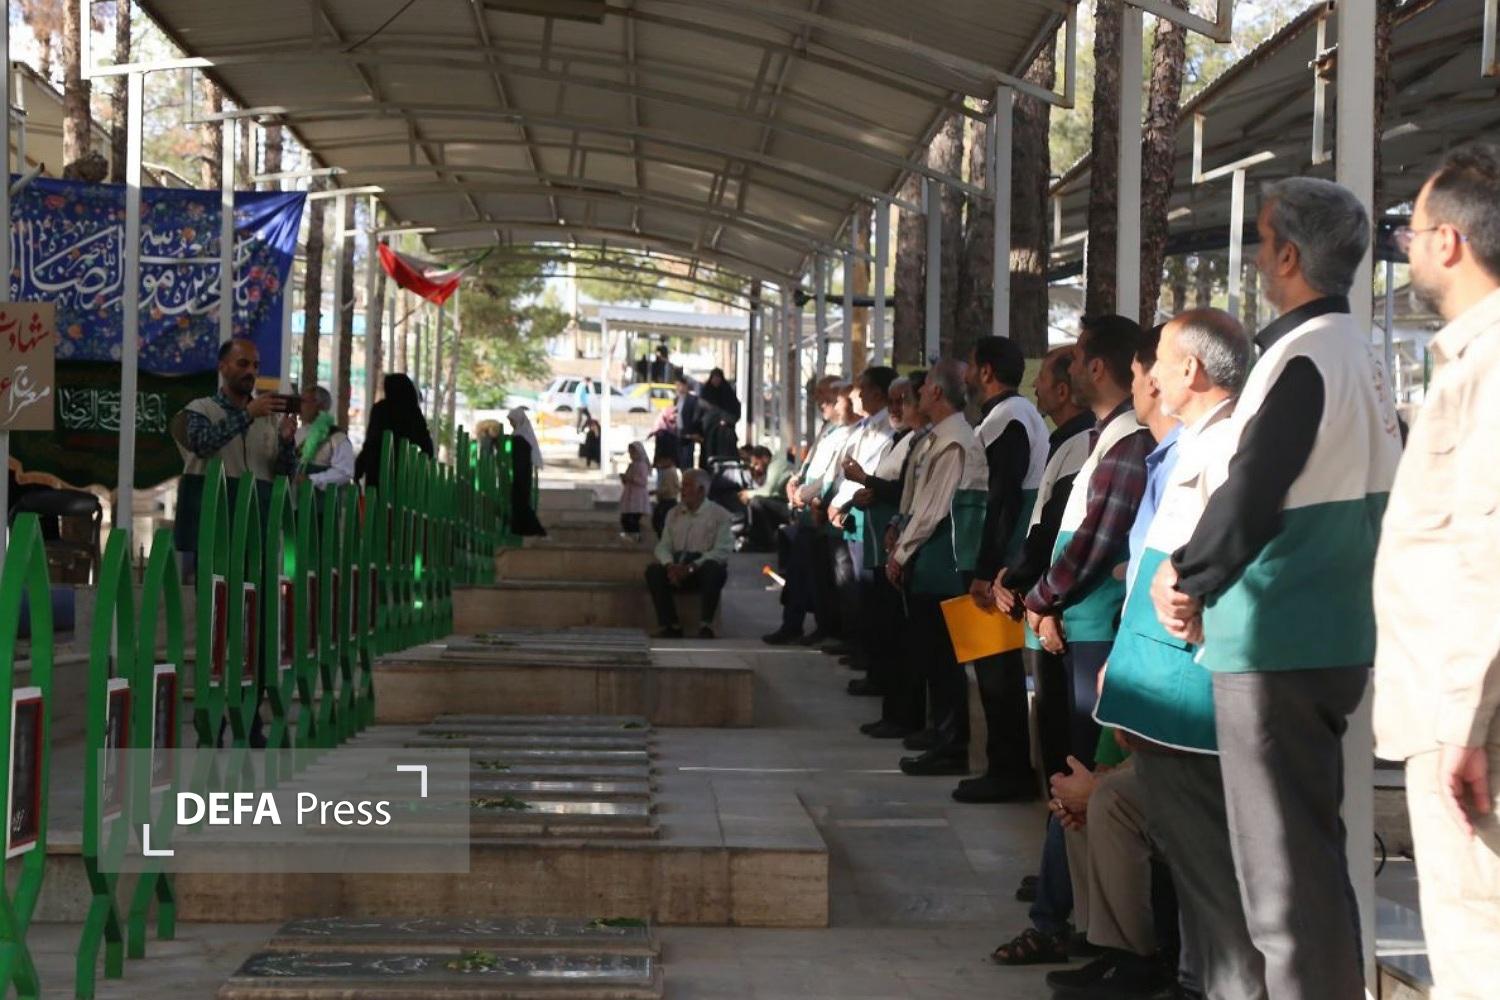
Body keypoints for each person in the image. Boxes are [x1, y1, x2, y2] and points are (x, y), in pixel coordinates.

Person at [1151, 178, 1400, 1000]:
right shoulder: (1359, 352)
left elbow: (1253, 489)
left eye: (1262, 242)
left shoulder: (1302, 357)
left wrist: (1188, 577)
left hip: (1277, 635)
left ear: (1289, 256)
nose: (1258, 259)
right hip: (1331, 632)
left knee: (1279, 882)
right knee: (1311, 863)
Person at [1374, 146, 1500, 1000]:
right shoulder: (1470, 362)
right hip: (1465, 712)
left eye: (1410, 234)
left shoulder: (1490, 367)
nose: (1407, 249)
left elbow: (1487, 551)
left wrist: (1463, 722)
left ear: (1448, 242)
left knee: (1475, 942)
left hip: (1472, 726)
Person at [1023, 315, 1153, 772]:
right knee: (1068, 752)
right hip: (1079, 618)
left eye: (1076, 359)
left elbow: (1097, 537)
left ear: (1097, 368)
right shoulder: (1107, 437)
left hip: (1099, 624)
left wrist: (1042, 596)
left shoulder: (1129, 440)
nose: (1070, 369)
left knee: (1085, 759)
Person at [996, 345, 1096, 784]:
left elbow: (1057, 529)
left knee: (1066, 733)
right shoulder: (1067, 440)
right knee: (1053, 723)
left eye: (1043, 379)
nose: (1034, 385)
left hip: (1063, 605)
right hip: (1044, 596)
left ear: (1063, 390)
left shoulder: (1083, 443)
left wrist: (1022, 582)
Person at [956, 335, 1049, 804]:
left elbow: (1003, 500)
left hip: (996, 568)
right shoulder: (1005, 417)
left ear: (987, 371)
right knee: (991, 667)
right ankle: (1003, 765)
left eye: (971, 366)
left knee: (998, 673)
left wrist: (988, 568)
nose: (966, 375)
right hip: (991, 562)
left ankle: (1008, 770)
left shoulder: (1010, 418)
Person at [888, 360, 988, 777]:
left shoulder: (955, 442)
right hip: (927, 560)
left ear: (937, 392)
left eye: (926, 384)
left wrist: (901, 552)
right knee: (932, 654)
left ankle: (952, 744)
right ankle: (940, 733)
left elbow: (933, 509)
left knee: (946, 660)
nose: (919, 391)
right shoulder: (937, 437)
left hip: (942, 563)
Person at [847, 371, 928, 739]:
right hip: (890, 542)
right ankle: (893, 707)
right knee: (887, 629)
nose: (897, 408)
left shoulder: (931, 441)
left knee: (904, 638)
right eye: (894, 402)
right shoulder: (905, 439)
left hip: (909, 551)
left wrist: (869, 484)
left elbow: (920, 501)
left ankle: (906, 715)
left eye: (904, 401)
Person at [173, 338, 297, 555]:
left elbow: (284, 475)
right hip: (213, 518)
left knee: (256, 577)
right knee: (214, 577)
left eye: (255, 366)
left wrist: (287, 442)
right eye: (243, 364)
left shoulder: (269, 419)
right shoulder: (200, 409)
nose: (251, 371)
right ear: (223, 367)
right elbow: (202, 445)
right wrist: (248, 414)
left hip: (256, 522)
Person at [644, 469, 733, 640]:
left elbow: (722, 550)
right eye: (682, 485)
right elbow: (663, 546)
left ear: (701, 490)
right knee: (653, 572)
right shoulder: (674, 513)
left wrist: (693, 567)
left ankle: (706, 626)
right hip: (678, 565)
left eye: (687, 485)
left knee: (714, 570)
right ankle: (671, 625)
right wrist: (670, 565)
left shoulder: (719, 515)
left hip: (701, 567)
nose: (682, 490)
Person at [355, 373, 434, 489]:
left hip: (378, 470)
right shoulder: (414, 413)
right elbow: (427, 447)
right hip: (405, 474)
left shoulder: (380, 410)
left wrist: (359, 469)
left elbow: (371, 443)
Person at [294, 386, 355, 489]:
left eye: (304, 401)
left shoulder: (337, 437)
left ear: (319, 405)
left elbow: (345, 472)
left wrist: (311, 479)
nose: (299, 405)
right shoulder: (297, 433)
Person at [740, 445, 793, 551]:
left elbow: (769, 491)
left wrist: (748, 494)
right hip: (784, 503)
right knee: (758, 502)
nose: (755, 468)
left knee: (756, 502)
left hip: (791, 507)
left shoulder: (776, 465)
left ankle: (766, 542)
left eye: (756, 464)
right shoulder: (772, 467)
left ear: (765, 458)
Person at [505, 407, 546, 537]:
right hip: (522, 473)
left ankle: (532, 529)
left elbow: (519, 458)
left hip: (521, 474)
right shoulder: (522, 435)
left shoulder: (520, 437)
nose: (511, 424)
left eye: (512, 421)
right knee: (520, 502)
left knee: (521, 502)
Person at [619, 441, 651, 540]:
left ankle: (635, 536)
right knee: (626, 517)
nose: (631, 455)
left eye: (633, 453)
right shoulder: (632, 465)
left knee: (633, 518)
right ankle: (630, 535)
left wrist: (631, 478)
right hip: (630, 494)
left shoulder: (642, 465)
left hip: (638, 496)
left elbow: (643, 481)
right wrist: (624, 478)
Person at [673, 374, 703, 470]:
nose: (679, 388)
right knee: (679, 460)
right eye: (677, 386)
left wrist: (694, 432)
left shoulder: (693, 399)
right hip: (678, 433)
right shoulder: (676, 399)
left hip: (689, 435)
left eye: (681, 385)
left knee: (687, 460)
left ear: (686, 386)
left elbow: (696, 417)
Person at [652, 452, 681, 538]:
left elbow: (668, 488)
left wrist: (656, 492)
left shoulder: (669, 472)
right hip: (669, 499)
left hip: (667, 500)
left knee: (659, 521)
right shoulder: (670, 471)